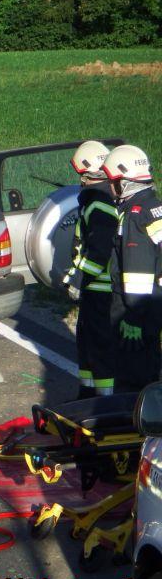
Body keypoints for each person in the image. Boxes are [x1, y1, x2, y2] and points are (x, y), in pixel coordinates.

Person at [61, 141, 119, 398]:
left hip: (101, 288)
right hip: (92, 287)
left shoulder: (100, 203)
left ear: (86, 173)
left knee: (98, 346)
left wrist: (78, 277)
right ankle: (86, 393)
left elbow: (98, 249)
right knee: (85, 343)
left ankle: (104, 403)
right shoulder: (93, 201)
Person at [103, 145, 162, 393]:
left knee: (132, 376)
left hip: (136, 310)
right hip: (155, 301)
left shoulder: (135, 215)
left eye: (113, 182)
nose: (110, 187)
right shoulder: (155, 206)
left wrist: (133, 318)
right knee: (150, 365)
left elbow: (137, 271)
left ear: (125, 183)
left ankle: (135, 426)